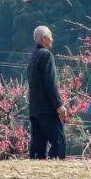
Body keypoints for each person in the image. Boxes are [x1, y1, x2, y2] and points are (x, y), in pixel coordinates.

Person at [27, 25, 66, 159]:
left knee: (38, 147)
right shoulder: (46, 55)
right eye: (50, 36)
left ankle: (37, 172)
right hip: (47, 109)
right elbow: (50, 83)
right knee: (59, 141)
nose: (52, 39)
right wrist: (59, 105)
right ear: (43, 38)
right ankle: (57, 169)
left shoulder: (33, 57)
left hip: (35, 109)